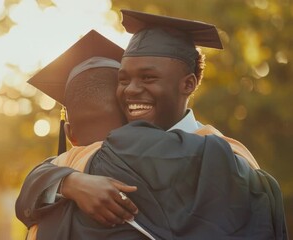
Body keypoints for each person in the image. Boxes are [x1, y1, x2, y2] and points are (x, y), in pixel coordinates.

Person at [17, 10, 288, 239]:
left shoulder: (229, 159)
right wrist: (70, 182)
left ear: (189, 84)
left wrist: (67, 179)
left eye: (148, 78)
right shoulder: (96, 158)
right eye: (123, 80)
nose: (132, 90)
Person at [16, 29, 141, 239]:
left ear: (69, 133)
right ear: (133, 116)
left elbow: (24, 201)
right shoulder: (182, 151)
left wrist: (70, 182)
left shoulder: (51, 185)